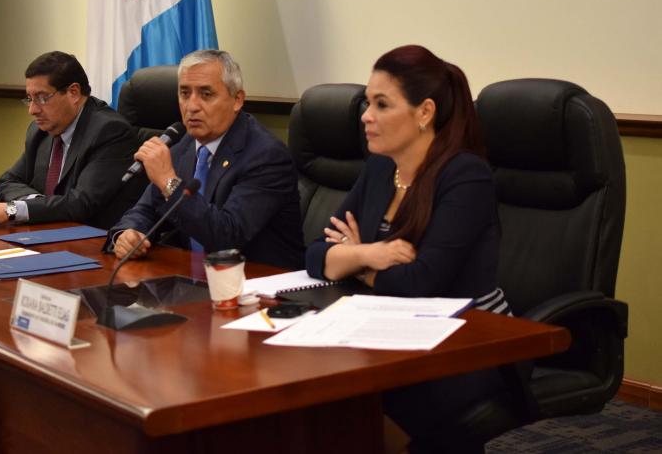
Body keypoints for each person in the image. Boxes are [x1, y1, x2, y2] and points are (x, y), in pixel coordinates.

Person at [305, 44, 509, 454]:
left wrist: (353, 262)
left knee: (365, 402)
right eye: (367, 102)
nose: (366, 115)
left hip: (469, 338)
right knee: (317, 390)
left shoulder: (465, 175)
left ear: (424, 112)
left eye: (381, 104)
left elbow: (421, 282)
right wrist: (371, 255)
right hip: (390, 325)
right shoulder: (381, 168)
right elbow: (313, 255)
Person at [108, 49, 303, 269]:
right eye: (184, 93)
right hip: (192, 281)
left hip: (260, 284)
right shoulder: (183, 145)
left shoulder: (266, 156)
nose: (191, 106)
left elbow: (226, 237)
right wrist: (128, 234)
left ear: (237, 100)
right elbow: (144, 210)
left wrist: (169, 181)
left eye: (206, 94)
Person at [0, 51, 143, 230]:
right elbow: (5, 183)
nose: (32, 110)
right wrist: (38, 205)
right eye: (29, 99)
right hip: (47, 235)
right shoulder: (40, 131)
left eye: (41, 98)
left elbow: (81, 204)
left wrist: (13, 210)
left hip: (94, 243)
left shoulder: (109, 131)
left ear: (73, 93)